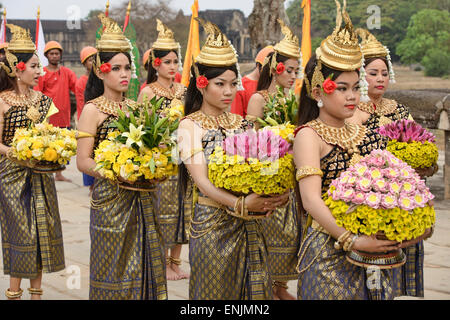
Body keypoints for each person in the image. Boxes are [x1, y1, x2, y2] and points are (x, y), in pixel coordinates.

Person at [294, 1, 406, 300]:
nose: (352, 96)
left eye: (356, 87)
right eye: (341, 88)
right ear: (318, 92)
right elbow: (311, 201)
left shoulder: (364, 130)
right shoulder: (309, 135)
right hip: (329, 249)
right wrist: (351, 239)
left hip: (372, 249)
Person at [177, 19, 289, 300]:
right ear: (201, 84)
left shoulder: (242, 123)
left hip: (250, 223)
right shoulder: (189, 126)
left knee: (254, 294)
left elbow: (265, 166)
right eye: (220, 84)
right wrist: (240, 203)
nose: (228, 91)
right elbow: (202, 182)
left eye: (232, 84)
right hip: (212, 224)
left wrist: (275, 191)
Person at [76, 14, 167, 300]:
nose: (124, 74)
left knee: (145, 262)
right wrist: (115, 172)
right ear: (101, 72)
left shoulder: (138, 108)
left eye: (127, 67)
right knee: (112, 265)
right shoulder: (92, 110)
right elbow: (83, 161)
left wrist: (156, 164)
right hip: (110, 200)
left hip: (142, 196)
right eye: (116, 68)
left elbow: (150, 149)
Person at [347, 28, 436, 298]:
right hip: (369, 196)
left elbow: (417, 143)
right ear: (360, 75)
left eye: (384, 73)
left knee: (400, 256)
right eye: (373, 73)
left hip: (402, 195)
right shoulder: (352, 109)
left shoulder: (397, 109)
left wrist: (423, 164)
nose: (380, 78)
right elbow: (350, 152)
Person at [0, 24, 65, 300]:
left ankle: (37, 294)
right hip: (12, 174)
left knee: (42, 231)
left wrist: (54, 149)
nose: (40, 72)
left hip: (40, 172)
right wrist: (16, 153)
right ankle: (14, 292)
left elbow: (48, 132)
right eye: (35, 66)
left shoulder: (43, 100)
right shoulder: (2, 101)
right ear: (18, 68)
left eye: (40, 66)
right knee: (21, 232)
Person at [245, 20, 301, 300]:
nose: (292, 76)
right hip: (267, 170)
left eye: (295, 70)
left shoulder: (295, 98)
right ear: (274, 70)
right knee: (269, 232)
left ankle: (281, 287)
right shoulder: (259, 98)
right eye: (288, 70)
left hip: (291, 174)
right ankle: (267, 288)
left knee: (291, 235)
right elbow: (252, 141)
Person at [137, 20, 189, 281]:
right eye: (167, 62)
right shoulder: (148, 92)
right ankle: (161, 263)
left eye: (175, 61)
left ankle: (175, 262)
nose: (173, 66)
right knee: (163, 211)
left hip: (183, 158)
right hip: (161, 158)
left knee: (182, 209)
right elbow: (144, 128)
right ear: (156, 64)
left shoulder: (183, 90)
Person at [35, 40, 77, 182]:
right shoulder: (42, 73)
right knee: (48, 144)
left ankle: (59, 174)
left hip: (64, 116)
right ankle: (47, 173)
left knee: (62, 145)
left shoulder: (67, 72)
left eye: (56, 53)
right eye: (51, 53)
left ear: (60, 55)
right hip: (48, 117)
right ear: (47, 55)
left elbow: (77, 89)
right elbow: (37, 94)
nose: (54, 56)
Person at [76, 46, 97, 195]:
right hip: (88, 119)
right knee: (88, 153)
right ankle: (91, 185)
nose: (93, 62)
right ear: (84, 63)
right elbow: (80, 103)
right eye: (90, 60)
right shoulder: (81, 82)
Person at [230, 45, 274, 118]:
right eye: (267, 70)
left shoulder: (272, 84)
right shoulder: (241, 86)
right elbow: (236, 116)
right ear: (258, 66)